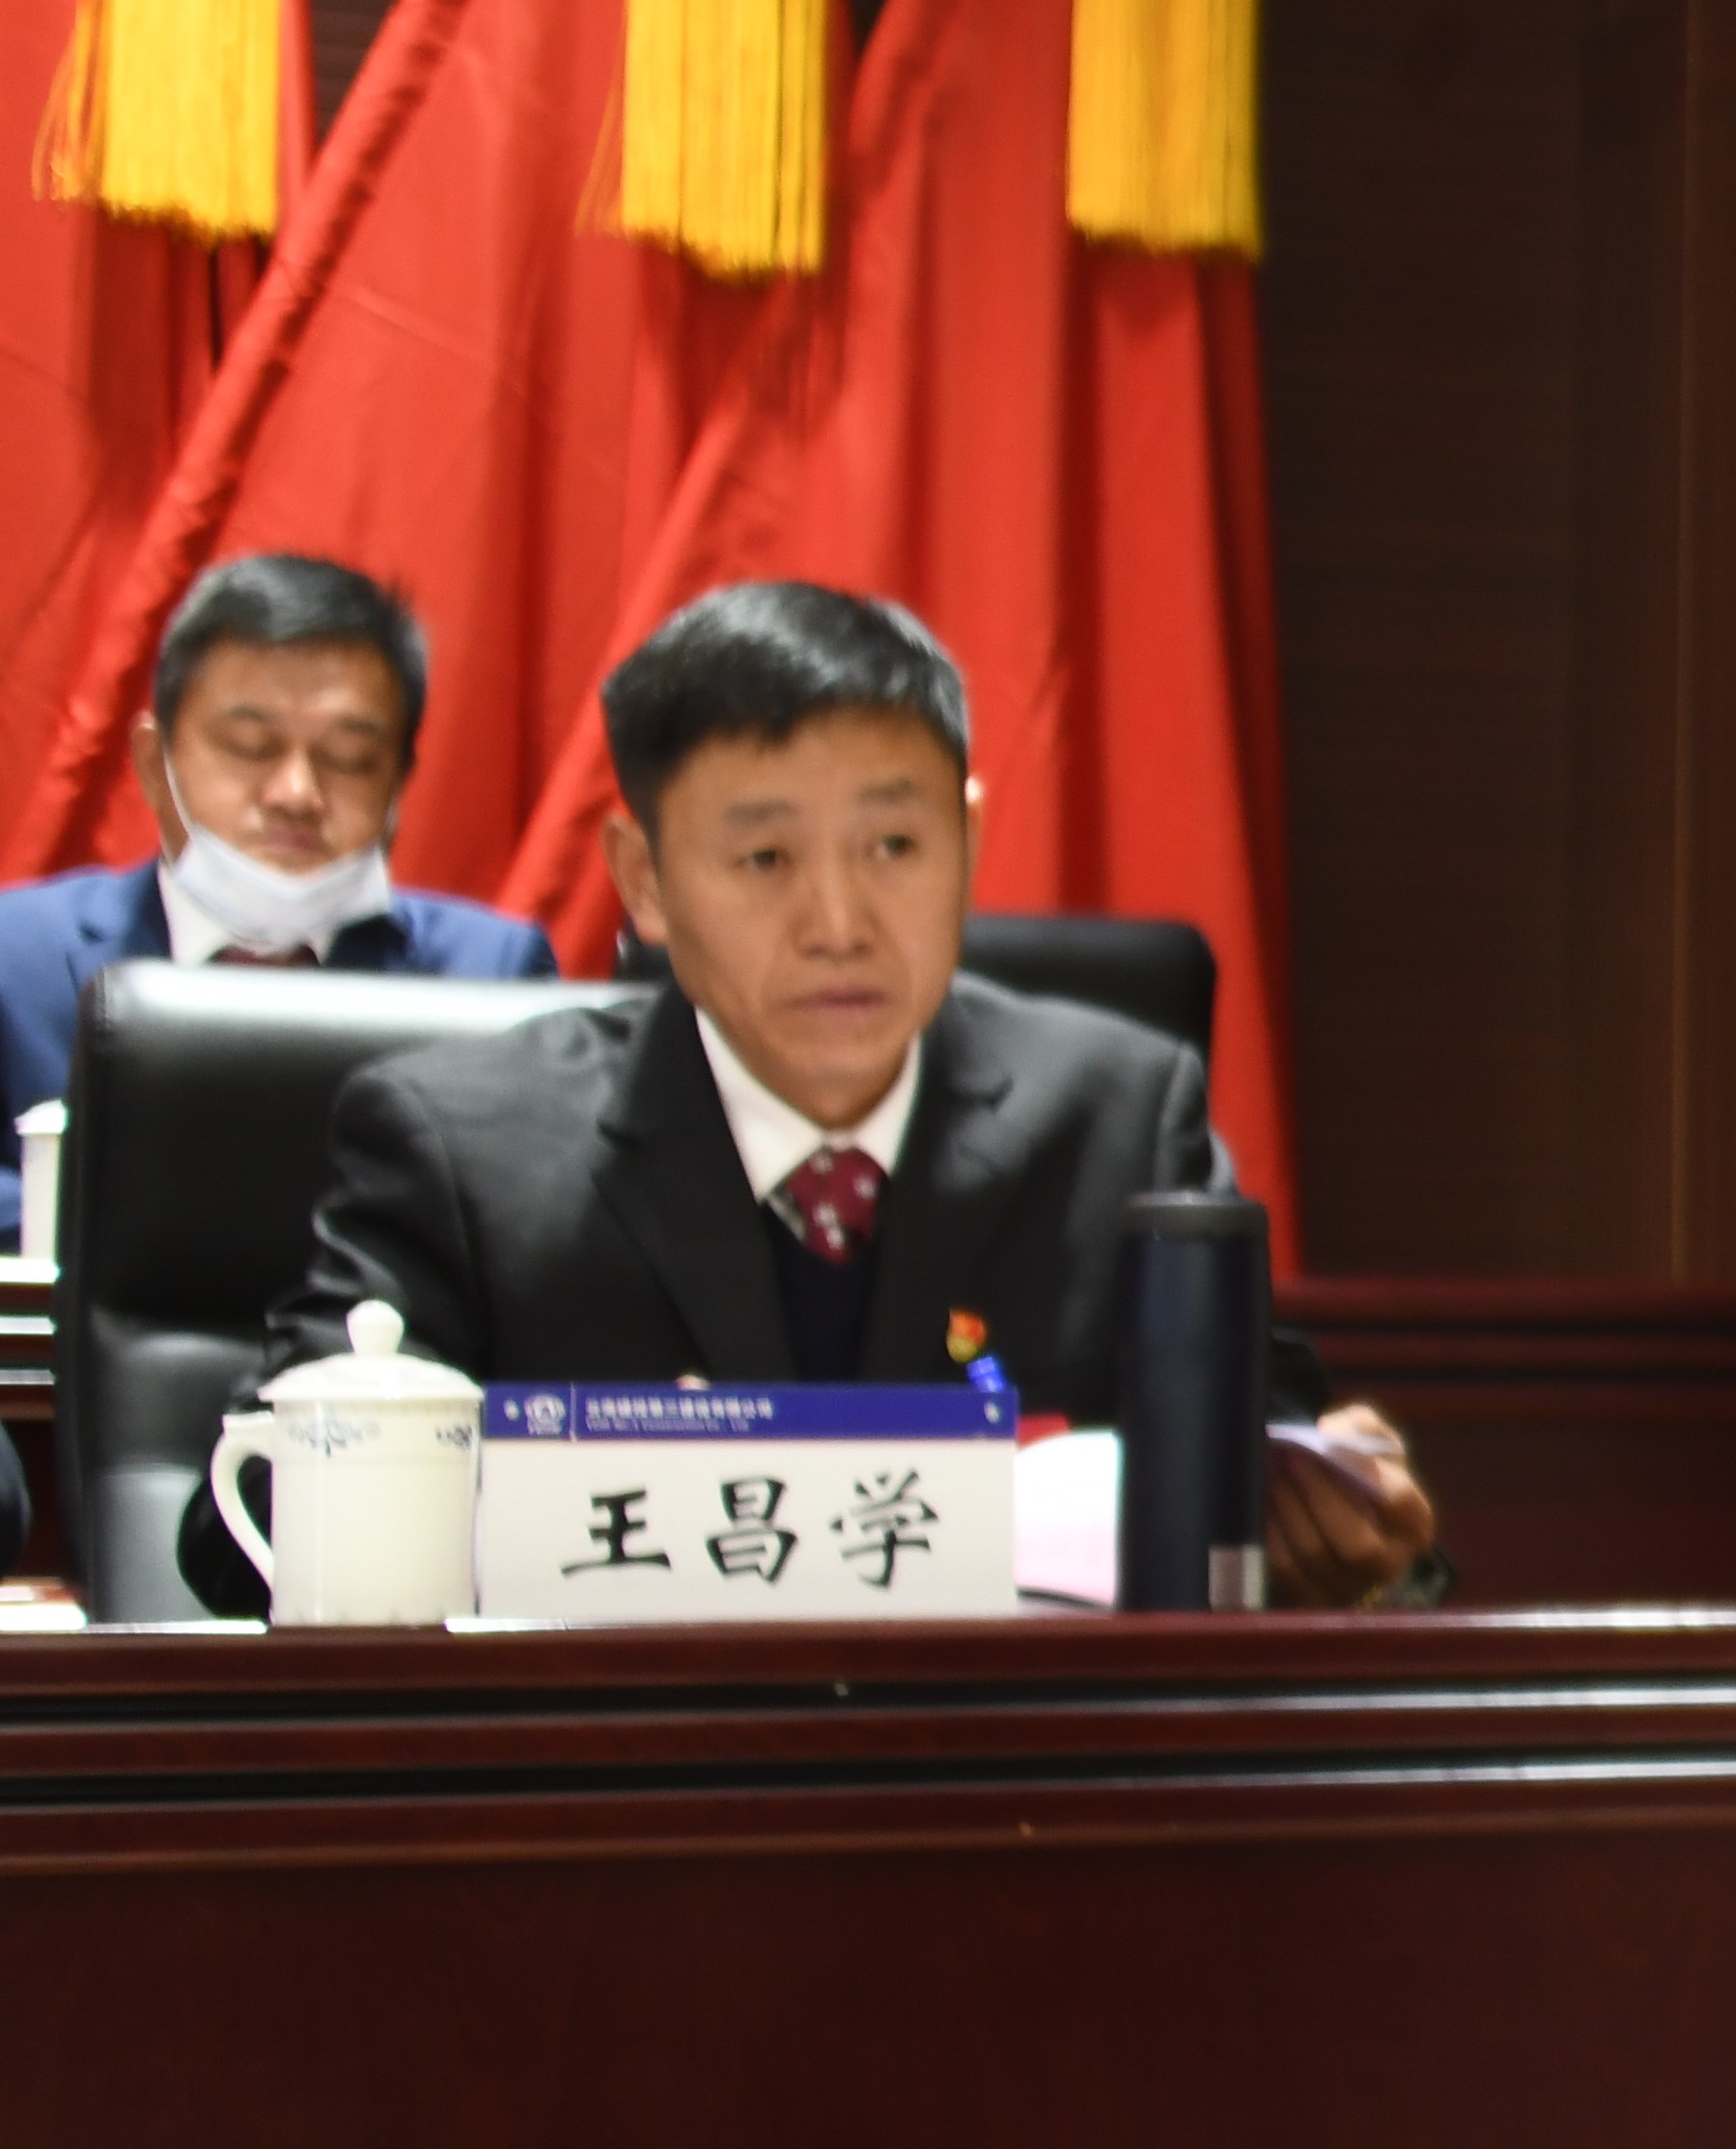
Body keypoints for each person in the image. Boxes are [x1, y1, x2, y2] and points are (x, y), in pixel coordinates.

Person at [233, 580, 1433, 1605]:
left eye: (895, 847)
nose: (840, 925)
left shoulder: (1121, 1121)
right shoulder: (461, 1149)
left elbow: (1280, 1498)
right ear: (645, 881)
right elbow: (241, 1536)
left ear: (967, 842)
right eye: (765, 858)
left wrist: (1349, 1534)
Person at [0, 552, 558, 1143]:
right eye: (250, 746)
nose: (297, 794)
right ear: (154, 765)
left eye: (348, 758)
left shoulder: (491, 974)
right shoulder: (17, 958)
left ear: (398, 781)